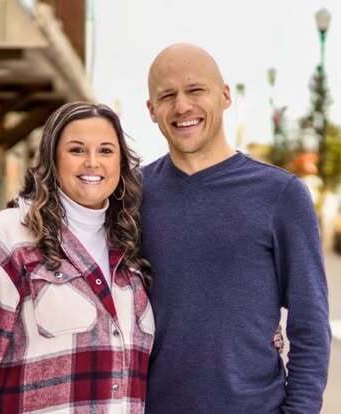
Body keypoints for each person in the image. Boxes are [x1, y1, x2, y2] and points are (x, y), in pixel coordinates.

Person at [141, 43, 331, 413]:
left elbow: (310, 324)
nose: (182, 106)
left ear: (225, 95)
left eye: (196, 90)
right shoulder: (132, 195)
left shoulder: (281, 195)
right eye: (167, 95)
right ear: (151, 110)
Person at [0, 102, 155, 413]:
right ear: (52, 159)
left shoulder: (130, 253)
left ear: (121, 163)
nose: (92, 162)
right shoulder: (5, 241)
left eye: (106, 151)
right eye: (77, 150)